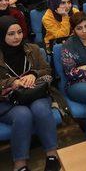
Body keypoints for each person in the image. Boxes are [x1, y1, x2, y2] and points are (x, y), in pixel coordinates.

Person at [0, 16, 61, 171]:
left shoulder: (32, 49)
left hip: (35, 93)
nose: (17, 37)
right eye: (11, 34)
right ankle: (20, 163)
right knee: (23, 115)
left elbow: (47, 70)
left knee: (40, 109)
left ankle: (52, 154)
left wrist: (34, 73)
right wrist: (13, 82)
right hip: (8, 100)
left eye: (19, 32)